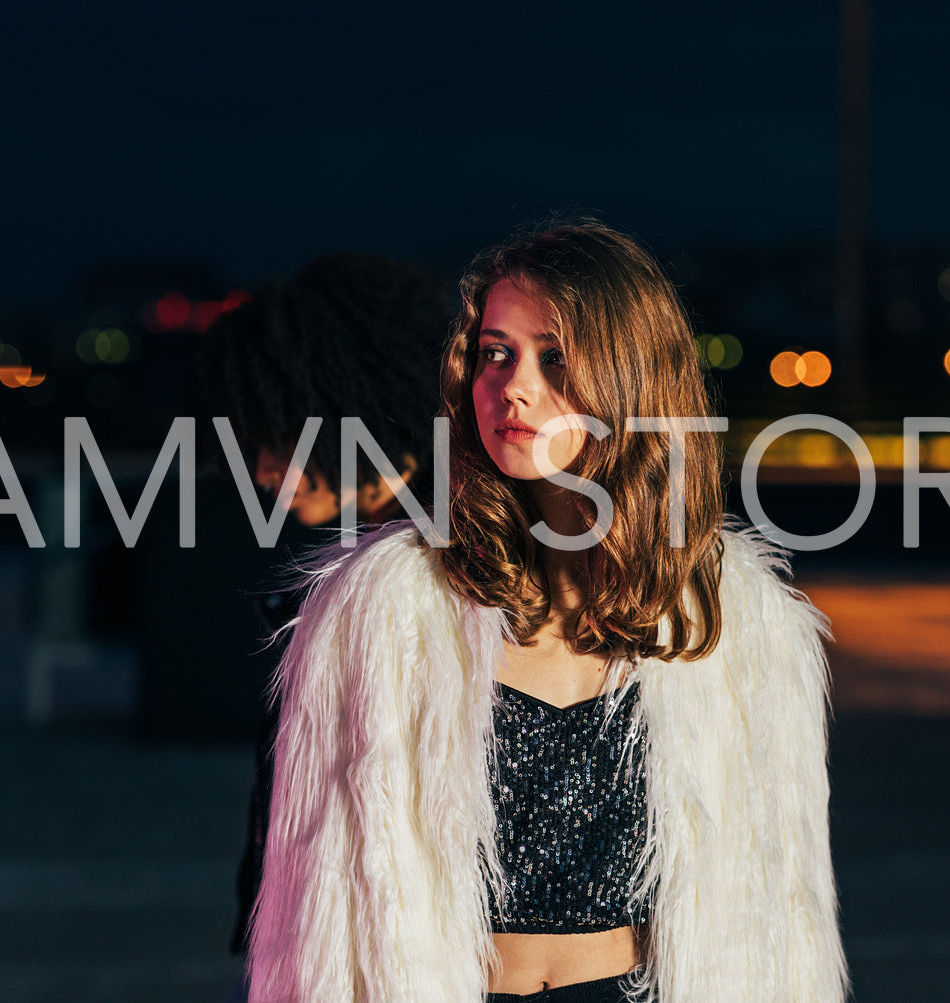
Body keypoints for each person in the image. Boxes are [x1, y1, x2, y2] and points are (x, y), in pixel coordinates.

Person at [246, 223, 847, 1001]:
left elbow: (778, 907)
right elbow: (318, 909)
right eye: (494, 352)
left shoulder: (740, 622)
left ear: (629, 374)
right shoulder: (383, 607)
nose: (513, 385)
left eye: (553, 356)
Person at [200, 251, 447, 958]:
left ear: (343, 410)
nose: (260, 469)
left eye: (274, 435)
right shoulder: (388, 544)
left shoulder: (441, 563)